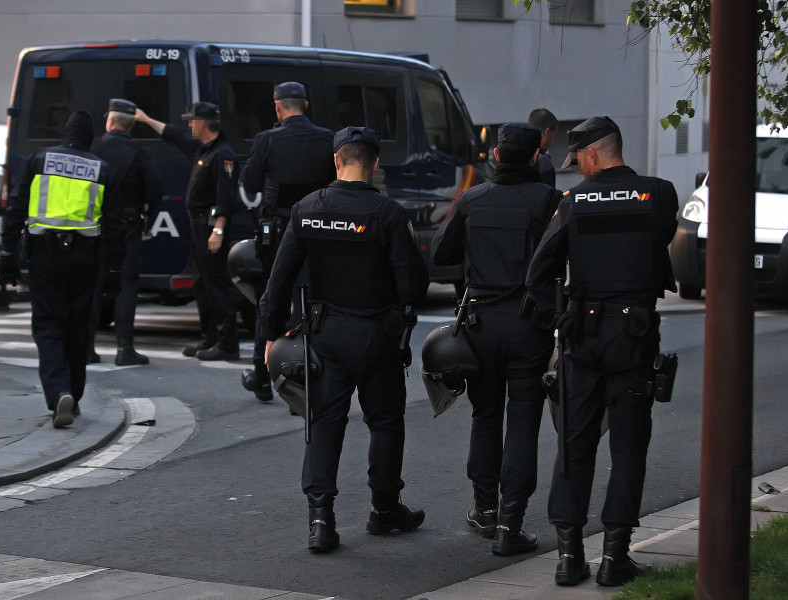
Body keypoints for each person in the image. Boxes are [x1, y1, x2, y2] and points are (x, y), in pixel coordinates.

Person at [259, 127, 429, 553]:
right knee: (386, 423)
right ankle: (385, 509)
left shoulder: (307, 209)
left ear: (336, 160)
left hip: (325, 335)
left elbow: (276, 284)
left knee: (323, 423)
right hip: (377, 335)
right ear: (373, 164)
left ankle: (320, 520)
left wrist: (268, 337)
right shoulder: (388, 214)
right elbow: (413, 285)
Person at [525, 116, 678, 587]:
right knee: (629, 445)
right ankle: (616, 558)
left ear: (592, 155)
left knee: (575, 443)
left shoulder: (573, 202)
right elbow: (661, 241)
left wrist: (559, 311)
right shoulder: (658, 193)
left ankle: (569, 557)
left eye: (580, 161)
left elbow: (540, 270)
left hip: (583, 336)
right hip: (634, 336)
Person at [431, 123, 560, 555]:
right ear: (533, 158)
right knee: (524, 421)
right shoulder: (548, 201)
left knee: (485, 416)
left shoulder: (472, 199)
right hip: (529, 326)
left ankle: (484, 509)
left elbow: (442, 254)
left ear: (497, 156)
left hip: (480, 325)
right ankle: (511, 523)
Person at [0, 111, 123, 428]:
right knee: (79, 328)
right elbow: (115, 227)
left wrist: (7, 252)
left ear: (65, 133)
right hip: (86, 257)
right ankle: (75, 396)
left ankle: (58, 394)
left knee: (48, 325)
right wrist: (114, 271)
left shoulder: (39, 160)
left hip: (45, 256)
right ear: (90, 138)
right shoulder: (103, 170)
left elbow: (15, 207)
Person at [239, 82, 335, 403]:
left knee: (271, 295)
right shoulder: (326, 139)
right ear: (305, 105)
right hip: (318, 227)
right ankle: (304, 372)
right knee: (309, 300)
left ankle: (263, 374)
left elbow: (250, 184)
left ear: (278, 108)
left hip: (279, 228)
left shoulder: (267, 140)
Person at [136, 102, 245, 361]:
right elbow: (173, 135)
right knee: (201, 283)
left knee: (216, 283)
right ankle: (210, 337)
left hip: (210, 227)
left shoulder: (223, 154)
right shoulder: (203, 149)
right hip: (198, 226)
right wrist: (146, 118)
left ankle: (227, 343)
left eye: (192, 120)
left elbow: (227, 198)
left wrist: (217, 230)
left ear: (203, 123)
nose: (189, 125)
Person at [88, 99, 162, 366]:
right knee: (125, 286)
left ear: (109, 122)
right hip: (127, 225)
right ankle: (124, 349)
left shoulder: (92, 149)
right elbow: (155, 191)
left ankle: (87, 348)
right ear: (130, 126)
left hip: (93, 225)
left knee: (93, 285)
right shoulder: (138, 153)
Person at [528, 108, 558, 187]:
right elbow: (549, 197)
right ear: (547, 132)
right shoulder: (543, 162)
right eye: (553, 135)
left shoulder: (513, 157)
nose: (552, 142)